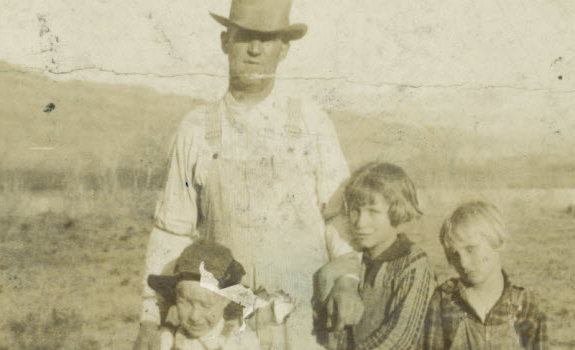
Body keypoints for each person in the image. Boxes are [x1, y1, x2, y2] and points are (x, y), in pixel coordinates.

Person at [134, 1, 362, 349]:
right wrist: (151, 319)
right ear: (225, 41)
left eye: (267, 40)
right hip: (222, 325)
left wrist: (346, 279)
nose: (255, 50)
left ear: (283, 49)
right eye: (245, 37)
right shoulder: (195, 129)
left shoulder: (310, 122)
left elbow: (338, 216)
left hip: (302, 316)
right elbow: (171, 230)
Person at [317, 162, 435, 350]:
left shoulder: (413, 263)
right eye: (355, 210)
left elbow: (400, 338)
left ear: (397, 212)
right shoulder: (351, 259)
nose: (360, 222)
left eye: (373, 212)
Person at [423, 201, 548, 350]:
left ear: (497, 242)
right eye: (455, 255)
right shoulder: (444, 301)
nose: (463, 263)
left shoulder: (526, 305)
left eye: (470, 249)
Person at [147, 240, 261, 350]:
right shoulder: (167, 341)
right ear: (175, 297)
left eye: (206, 305)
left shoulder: (241, 343)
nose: (194, 316)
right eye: (186, 303)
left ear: (226, 300)